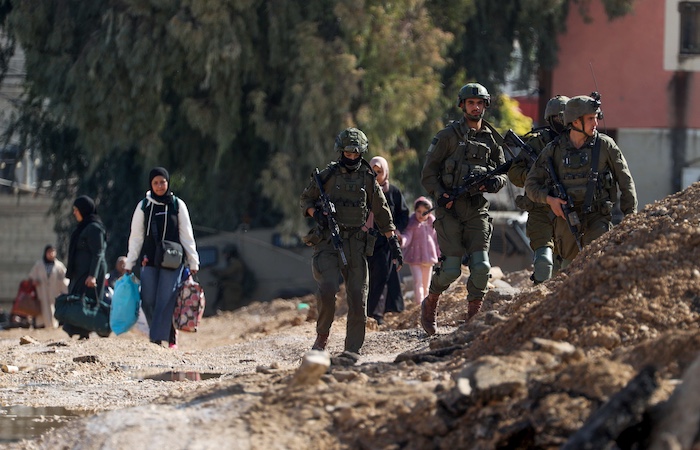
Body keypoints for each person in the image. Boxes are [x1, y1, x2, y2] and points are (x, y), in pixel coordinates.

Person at [300, 127, 403, 357]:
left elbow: (383, 212)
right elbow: (306, 198)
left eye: (357, 153)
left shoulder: (368, 178)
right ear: (341, 151)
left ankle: (352, 349)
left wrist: (394, 244)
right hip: (327, 241)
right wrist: (315, 214)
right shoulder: (328, 175)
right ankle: (322, 335)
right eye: (348, 153)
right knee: (327, 289)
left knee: (358, 296)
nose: (353, 157)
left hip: (356, 243)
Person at [420, 82, 507, 335]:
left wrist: (493, 182)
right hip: (449, 209)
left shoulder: (492, 140)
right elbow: (428, 174)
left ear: (485, 106)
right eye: (471, 102)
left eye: (480, 103)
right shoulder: (447, 137)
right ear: (462, 105)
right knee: (451, 269)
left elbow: (503, 174)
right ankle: (431, 302)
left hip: (477, 209)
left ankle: (472, 321)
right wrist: (440, 194)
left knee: (481, 267)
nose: (476, 107)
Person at [525, 94, 637, 267]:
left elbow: (626, 182)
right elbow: (531, 185)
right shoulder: (554, 149)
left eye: (596, 118)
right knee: (568, 270)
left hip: (597, 217)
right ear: (576, 122)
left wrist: (630, 219)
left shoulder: (605, 146)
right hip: (566, 220)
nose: (596, 123)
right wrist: (550, 200)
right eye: (590, 119)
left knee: (597, 264)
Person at [125, 167, 200, 349]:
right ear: (151, 185)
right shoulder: (144, 206)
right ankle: (163, 331)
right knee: (148, 299)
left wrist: (193, 260)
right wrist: (130, 262)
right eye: (156, 183)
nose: (159, 186)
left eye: (162, 182)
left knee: (166, 298)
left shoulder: (177, 205)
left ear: (168, 183)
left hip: (173, 261)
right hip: (149, 260)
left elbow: (186, 234)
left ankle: (160, 339)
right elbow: (136, 237)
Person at [507, 95, 569, 283]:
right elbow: (514, 173)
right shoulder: (536, 143)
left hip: (567, 212)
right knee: (544, 263)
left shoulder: (575, 143)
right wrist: (535, 174)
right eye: (560, 118)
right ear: (551, 119)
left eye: (566, 117)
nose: (564, 122)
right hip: (540, 211)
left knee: (566, 266)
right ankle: (538, 300)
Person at [366, 156, 409, 325]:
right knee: (367, 278)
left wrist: (396, 231)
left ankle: (376, 314)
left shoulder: (393, 192)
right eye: (373, 172)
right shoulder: (364, 192)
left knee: (382, 276)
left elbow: (403, 214)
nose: (376, 175)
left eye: (379, 172)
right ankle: (367, 312)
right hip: (366, 241)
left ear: (386, 173)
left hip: (385, 243)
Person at [63, 195, 108, 339]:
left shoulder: (94, 228)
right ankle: (80, 332)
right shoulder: (83, 227)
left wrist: (93, 275)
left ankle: (85, 332)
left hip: (90, 272)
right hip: (80, 272)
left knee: (87, 301)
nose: (74, 213)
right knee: (77, 300)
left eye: (76, 210)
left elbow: (98, 253)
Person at [400, 197, 439, 305]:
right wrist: (401, 240)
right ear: (415, 210)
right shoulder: (412, 223)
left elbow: (436, 240)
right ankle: (419, 304)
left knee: (427, 284)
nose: (421, 215)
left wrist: (439, 253)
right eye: (418, 211)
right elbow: (407, 236)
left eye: (424, 212)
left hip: (429, 258)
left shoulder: (432, 223)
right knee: (418, 282)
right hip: (415, 258)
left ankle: (426, 305)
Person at [28, 245, 68, 328]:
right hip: (42, 291)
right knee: (43, 309)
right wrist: (35, 282)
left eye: (53, 252)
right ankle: (41, 325)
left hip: (55, 291)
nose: (51, 254)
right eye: (49, 252)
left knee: (53, 308)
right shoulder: (39, 265)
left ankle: (54, 325)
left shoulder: (59, 265)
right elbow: (32, 277)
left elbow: (65, 278)